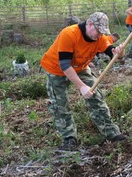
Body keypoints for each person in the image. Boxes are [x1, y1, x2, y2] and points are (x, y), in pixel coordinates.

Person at [40, 12, 127, 151]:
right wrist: (81, 87)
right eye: (98, 31)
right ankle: (69, 138)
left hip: (80, 67)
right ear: (90, 24)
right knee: (59, 105)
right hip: (56, 69)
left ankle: (111, 133)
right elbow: (65, 65)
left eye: (102, 32)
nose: (99, 35)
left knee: (96, 96)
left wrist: (120, 52)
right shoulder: (69, 34)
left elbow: (114, 55)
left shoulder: (99, 37)